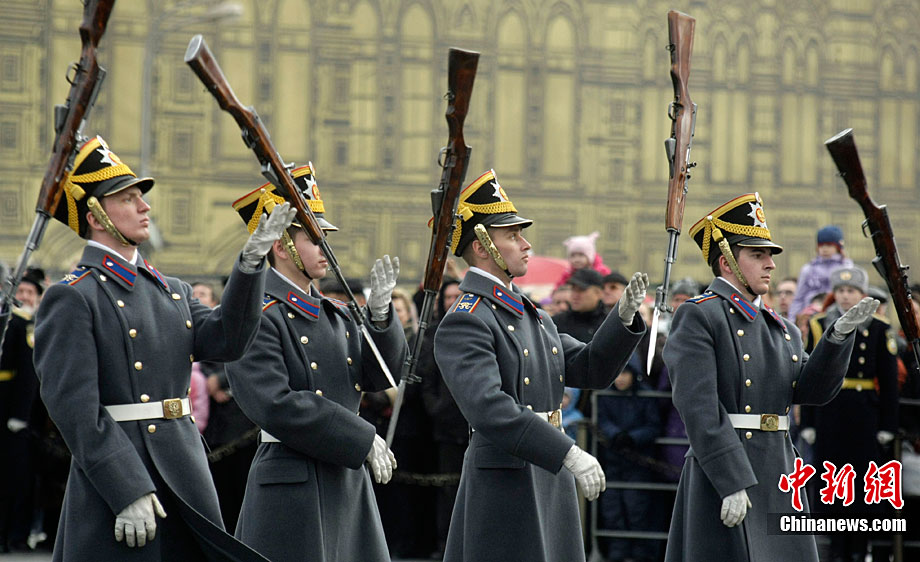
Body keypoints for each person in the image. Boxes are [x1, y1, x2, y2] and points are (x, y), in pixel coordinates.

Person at [32, 135, 287, 560]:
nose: (145, 206)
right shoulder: (73, 296)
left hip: (183, 467)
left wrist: (250, 264)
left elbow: (228, 339)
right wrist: (125, 488)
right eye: (128, 199)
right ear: (95, 215)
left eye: (141, 197)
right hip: (123, 468)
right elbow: (74, 408)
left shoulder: (171, 290)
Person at [432, 169, 648, 562]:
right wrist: (566, 452)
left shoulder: (531, 314)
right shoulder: (467, 318)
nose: (526, 244)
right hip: (507, 480)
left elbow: (588, 368)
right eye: (513, 235)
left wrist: (621, 320)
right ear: (482, 246)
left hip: (547, 469)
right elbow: (489, 407)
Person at [663, 193, 878, 562]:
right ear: (727, 261)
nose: (770, 264)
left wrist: (838, 338)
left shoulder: (782, 328)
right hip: (726, 466)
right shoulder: (701, 315)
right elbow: (698, 406)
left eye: (770, 255)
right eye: (757, 255)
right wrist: (730, 479)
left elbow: (812, 391)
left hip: (778, 468)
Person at [225, 164, 407, 562]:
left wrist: (380, 317)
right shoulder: (257, 314)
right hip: (294, 480)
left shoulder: (335, 313)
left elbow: (381, 374)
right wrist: (359, 436)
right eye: (314, 239)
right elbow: (273, 402)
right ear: (281, 246)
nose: (326, 249)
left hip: (345, 473)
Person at [800, 266, 899, 562]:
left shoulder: (879, 327)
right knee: (831, 480)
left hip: (863, 412)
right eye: (841, 291)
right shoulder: (820, 324)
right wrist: (808, 421)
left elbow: (889, 381)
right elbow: (810, 374)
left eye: (852, 291)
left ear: (862, 294)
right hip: (829, 410)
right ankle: (836, 547)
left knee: (862, 481)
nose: (845, 296)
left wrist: (888, 424)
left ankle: (859, 547)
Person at [0, 267, 45, 552]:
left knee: (13, 476)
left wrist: (19, 414)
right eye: (20, 291)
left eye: (30, 292)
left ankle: (11, 535)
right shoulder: (7, 319)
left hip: (12, 410)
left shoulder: (24, 324)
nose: (24, 296)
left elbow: (27, 374)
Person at [598, 366, 661, 562]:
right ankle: (618, 552)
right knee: (612, 509)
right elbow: (601, 419)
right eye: (617, 373)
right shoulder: (605, 394)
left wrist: (632, 438)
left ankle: (641, 553)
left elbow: (653, 426)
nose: (620, 378)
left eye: (624, 373)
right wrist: (616, 434)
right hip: (613, 462)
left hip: (638, 462)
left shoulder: (646, 395)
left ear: (634, 374)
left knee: (637, 508)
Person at [790, 225, 853, 319]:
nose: (824, 249)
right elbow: (799, 298)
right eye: (821, 245)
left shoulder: (846, 268)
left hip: (838, 316)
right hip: (811, 316)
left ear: (838, 247)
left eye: (829, 245)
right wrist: (792, 320)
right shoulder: (808, 270)